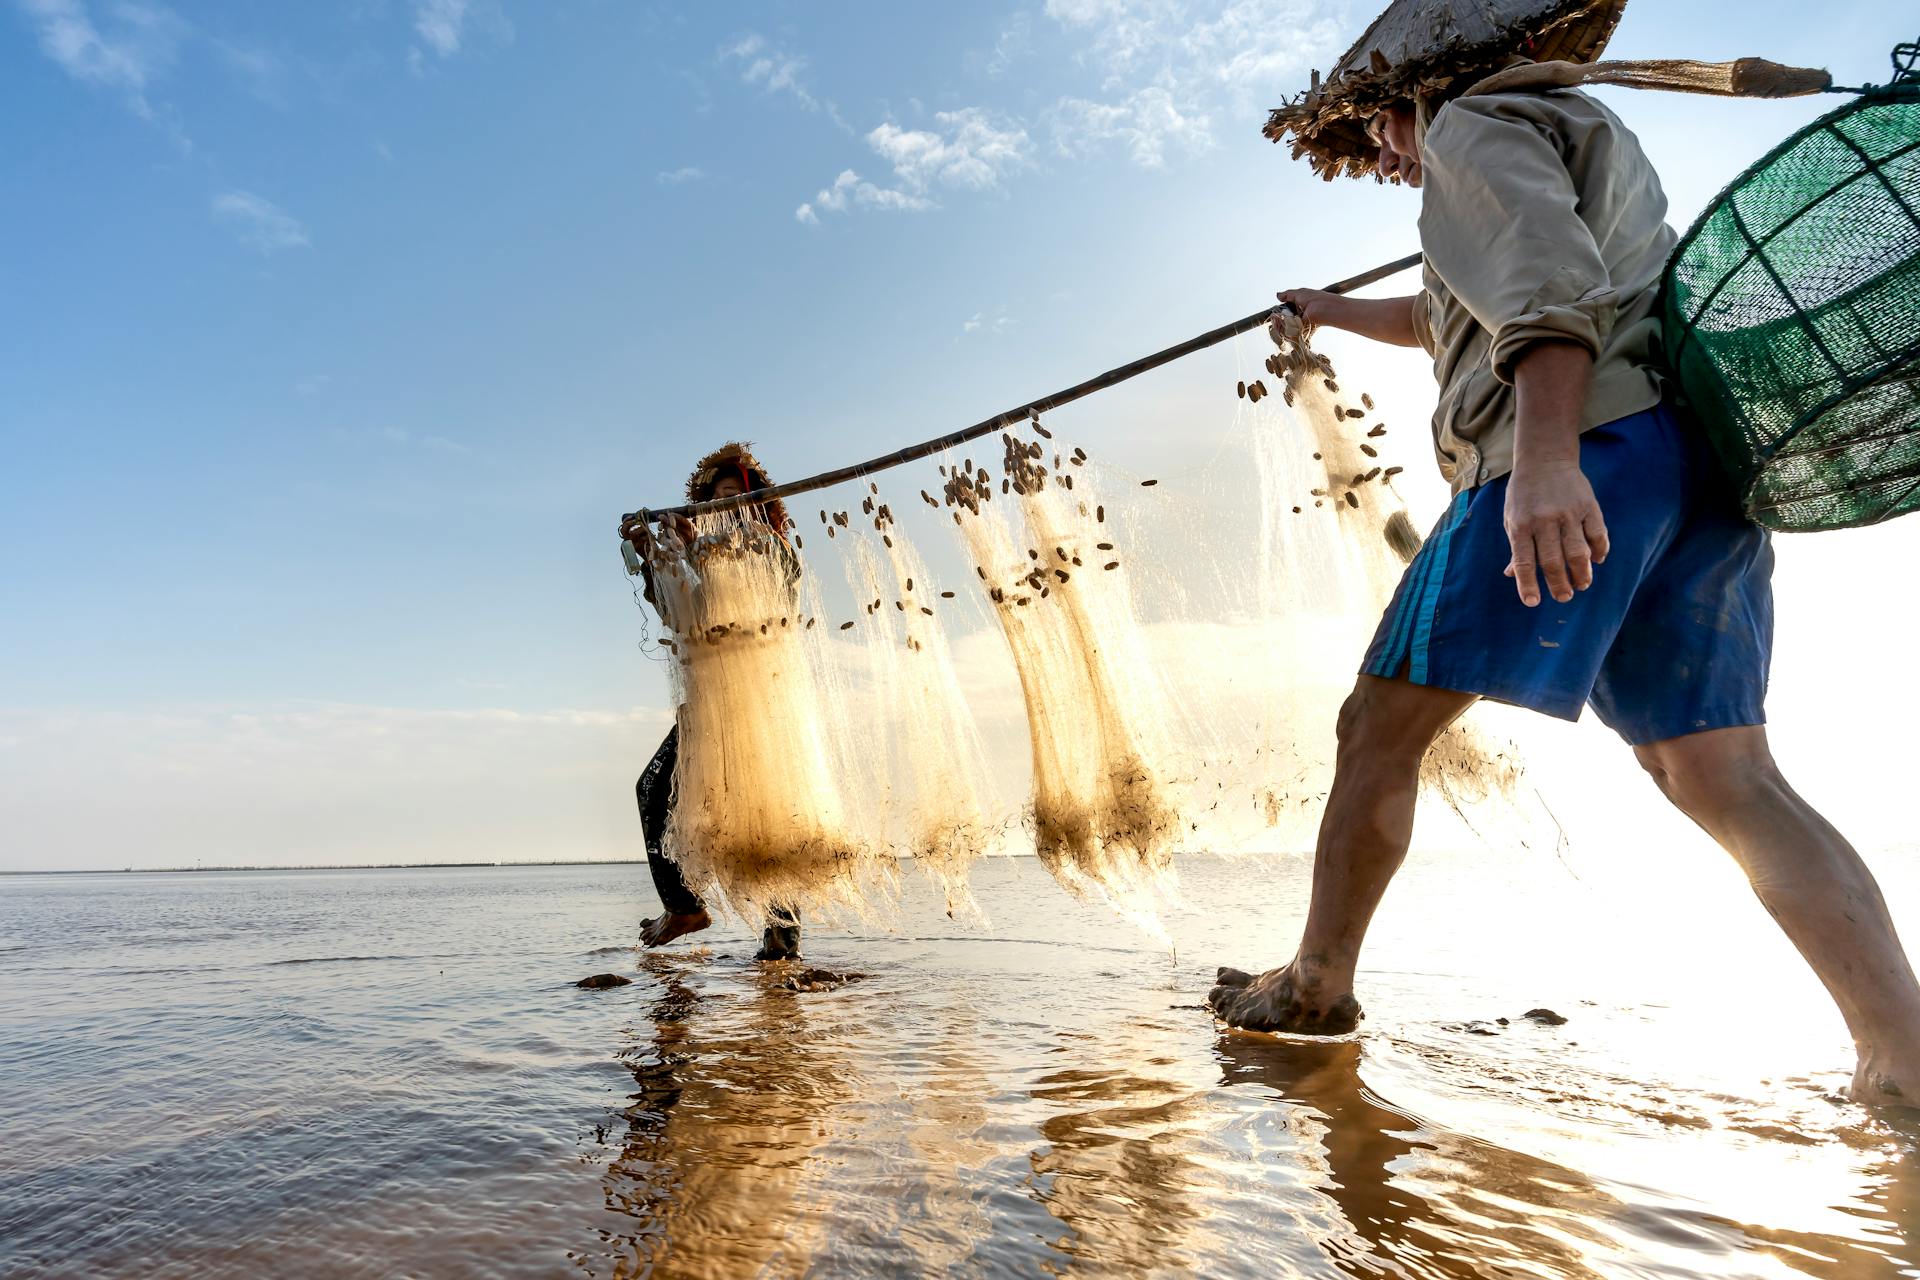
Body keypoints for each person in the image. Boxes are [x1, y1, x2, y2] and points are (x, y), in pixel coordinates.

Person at [1210, 0, 1920, 1105]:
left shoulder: (1470, 128)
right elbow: (1461, 306)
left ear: (1406, 99)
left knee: (1378, 724)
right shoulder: (1570, 122)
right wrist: (1337, 310)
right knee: (1725, 774)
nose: (1389, 158)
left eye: (1381, 135)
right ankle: (1903, 1052)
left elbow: (1543, 288)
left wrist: (1543, 461)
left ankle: (1314, 979)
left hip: (1573, 445)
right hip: (1690, 469)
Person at [619, 443, 803, 962]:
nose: (725, 509)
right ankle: (684, 906)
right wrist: (657, 553)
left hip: (761, 706)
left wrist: (703, 546)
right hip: (708, 707)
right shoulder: (698, 549)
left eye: (736, 498)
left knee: (768, 816)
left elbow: (777, 595)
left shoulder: (775, 550)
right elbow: (681, 615)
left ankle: (780, 948)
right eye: (717, 499)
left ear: (758, 503)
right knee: (654, 789)